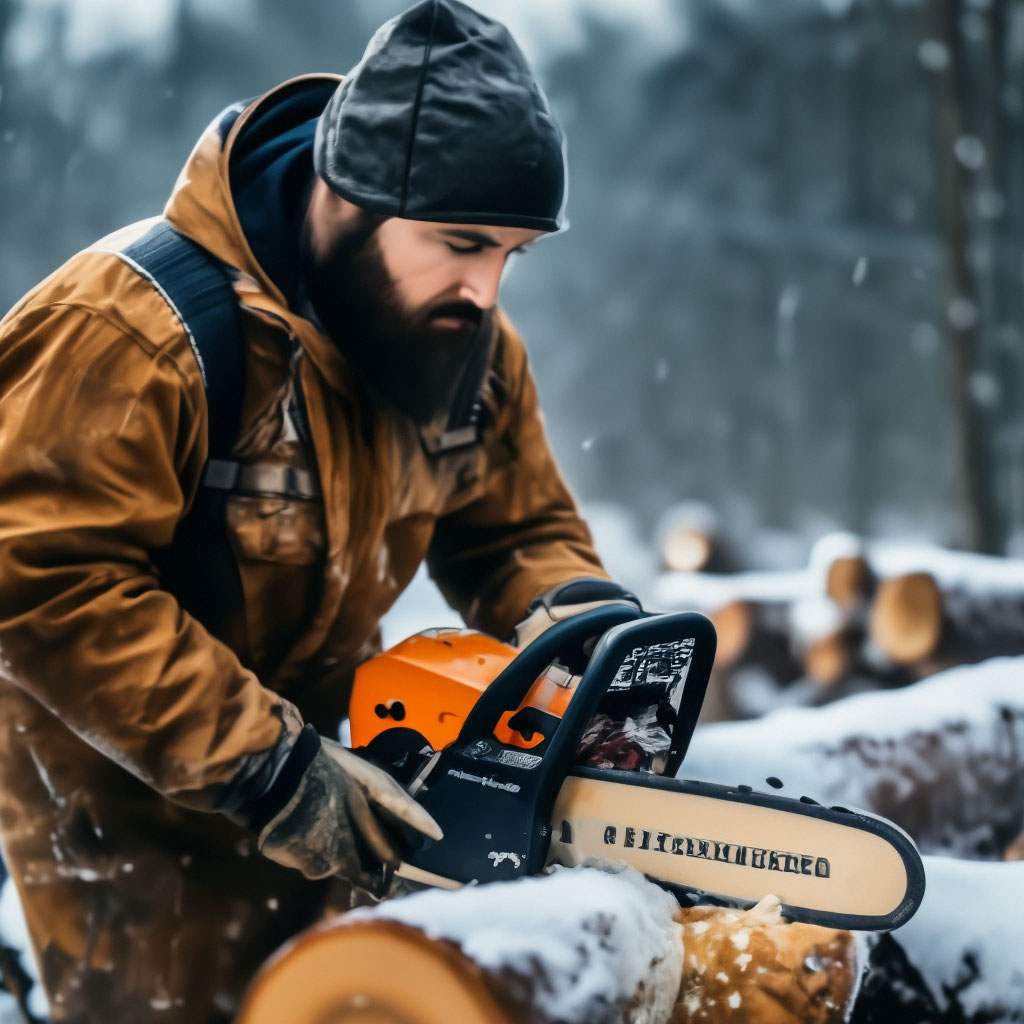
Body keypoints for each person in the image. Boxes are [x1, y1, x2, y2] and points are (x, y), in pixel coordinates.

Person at [0, 1, 638, 1020]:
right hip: (132, 843)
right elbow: (41, 580)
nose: (483, 288)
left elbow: (515, 529)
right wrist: (266, 767)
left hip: (342, 799)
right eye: (460, 241)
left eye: (511, 253)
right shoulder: (131, 330)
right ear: (343, 196)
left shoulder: (454, 341)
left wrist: (574, 620)